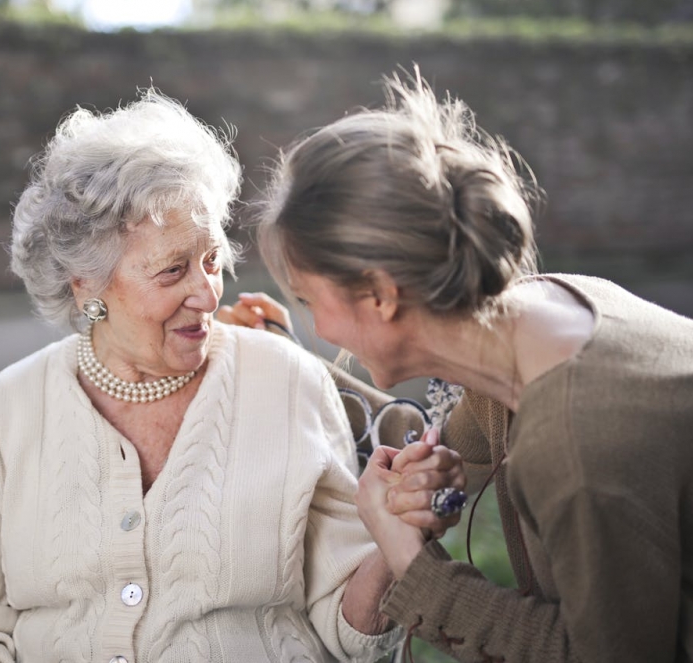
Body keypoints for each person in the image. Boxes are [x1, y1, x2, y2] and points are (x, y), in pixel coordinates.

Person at [0, 89, 465, 663]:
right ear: (85, 284)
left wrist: (394, 534)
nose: (207, 291)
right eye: (173, 271)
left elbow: (350, 633)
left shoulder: (287, 380)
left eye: (212, 260)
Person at [255, 68, 693, 662]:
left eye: (309, 302)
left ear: (380, 295)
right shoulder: (546, 311)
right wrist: (274, 350)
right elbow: (444, 447)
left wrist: (411, 563)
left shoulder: (576, 443)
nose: (321, 328)